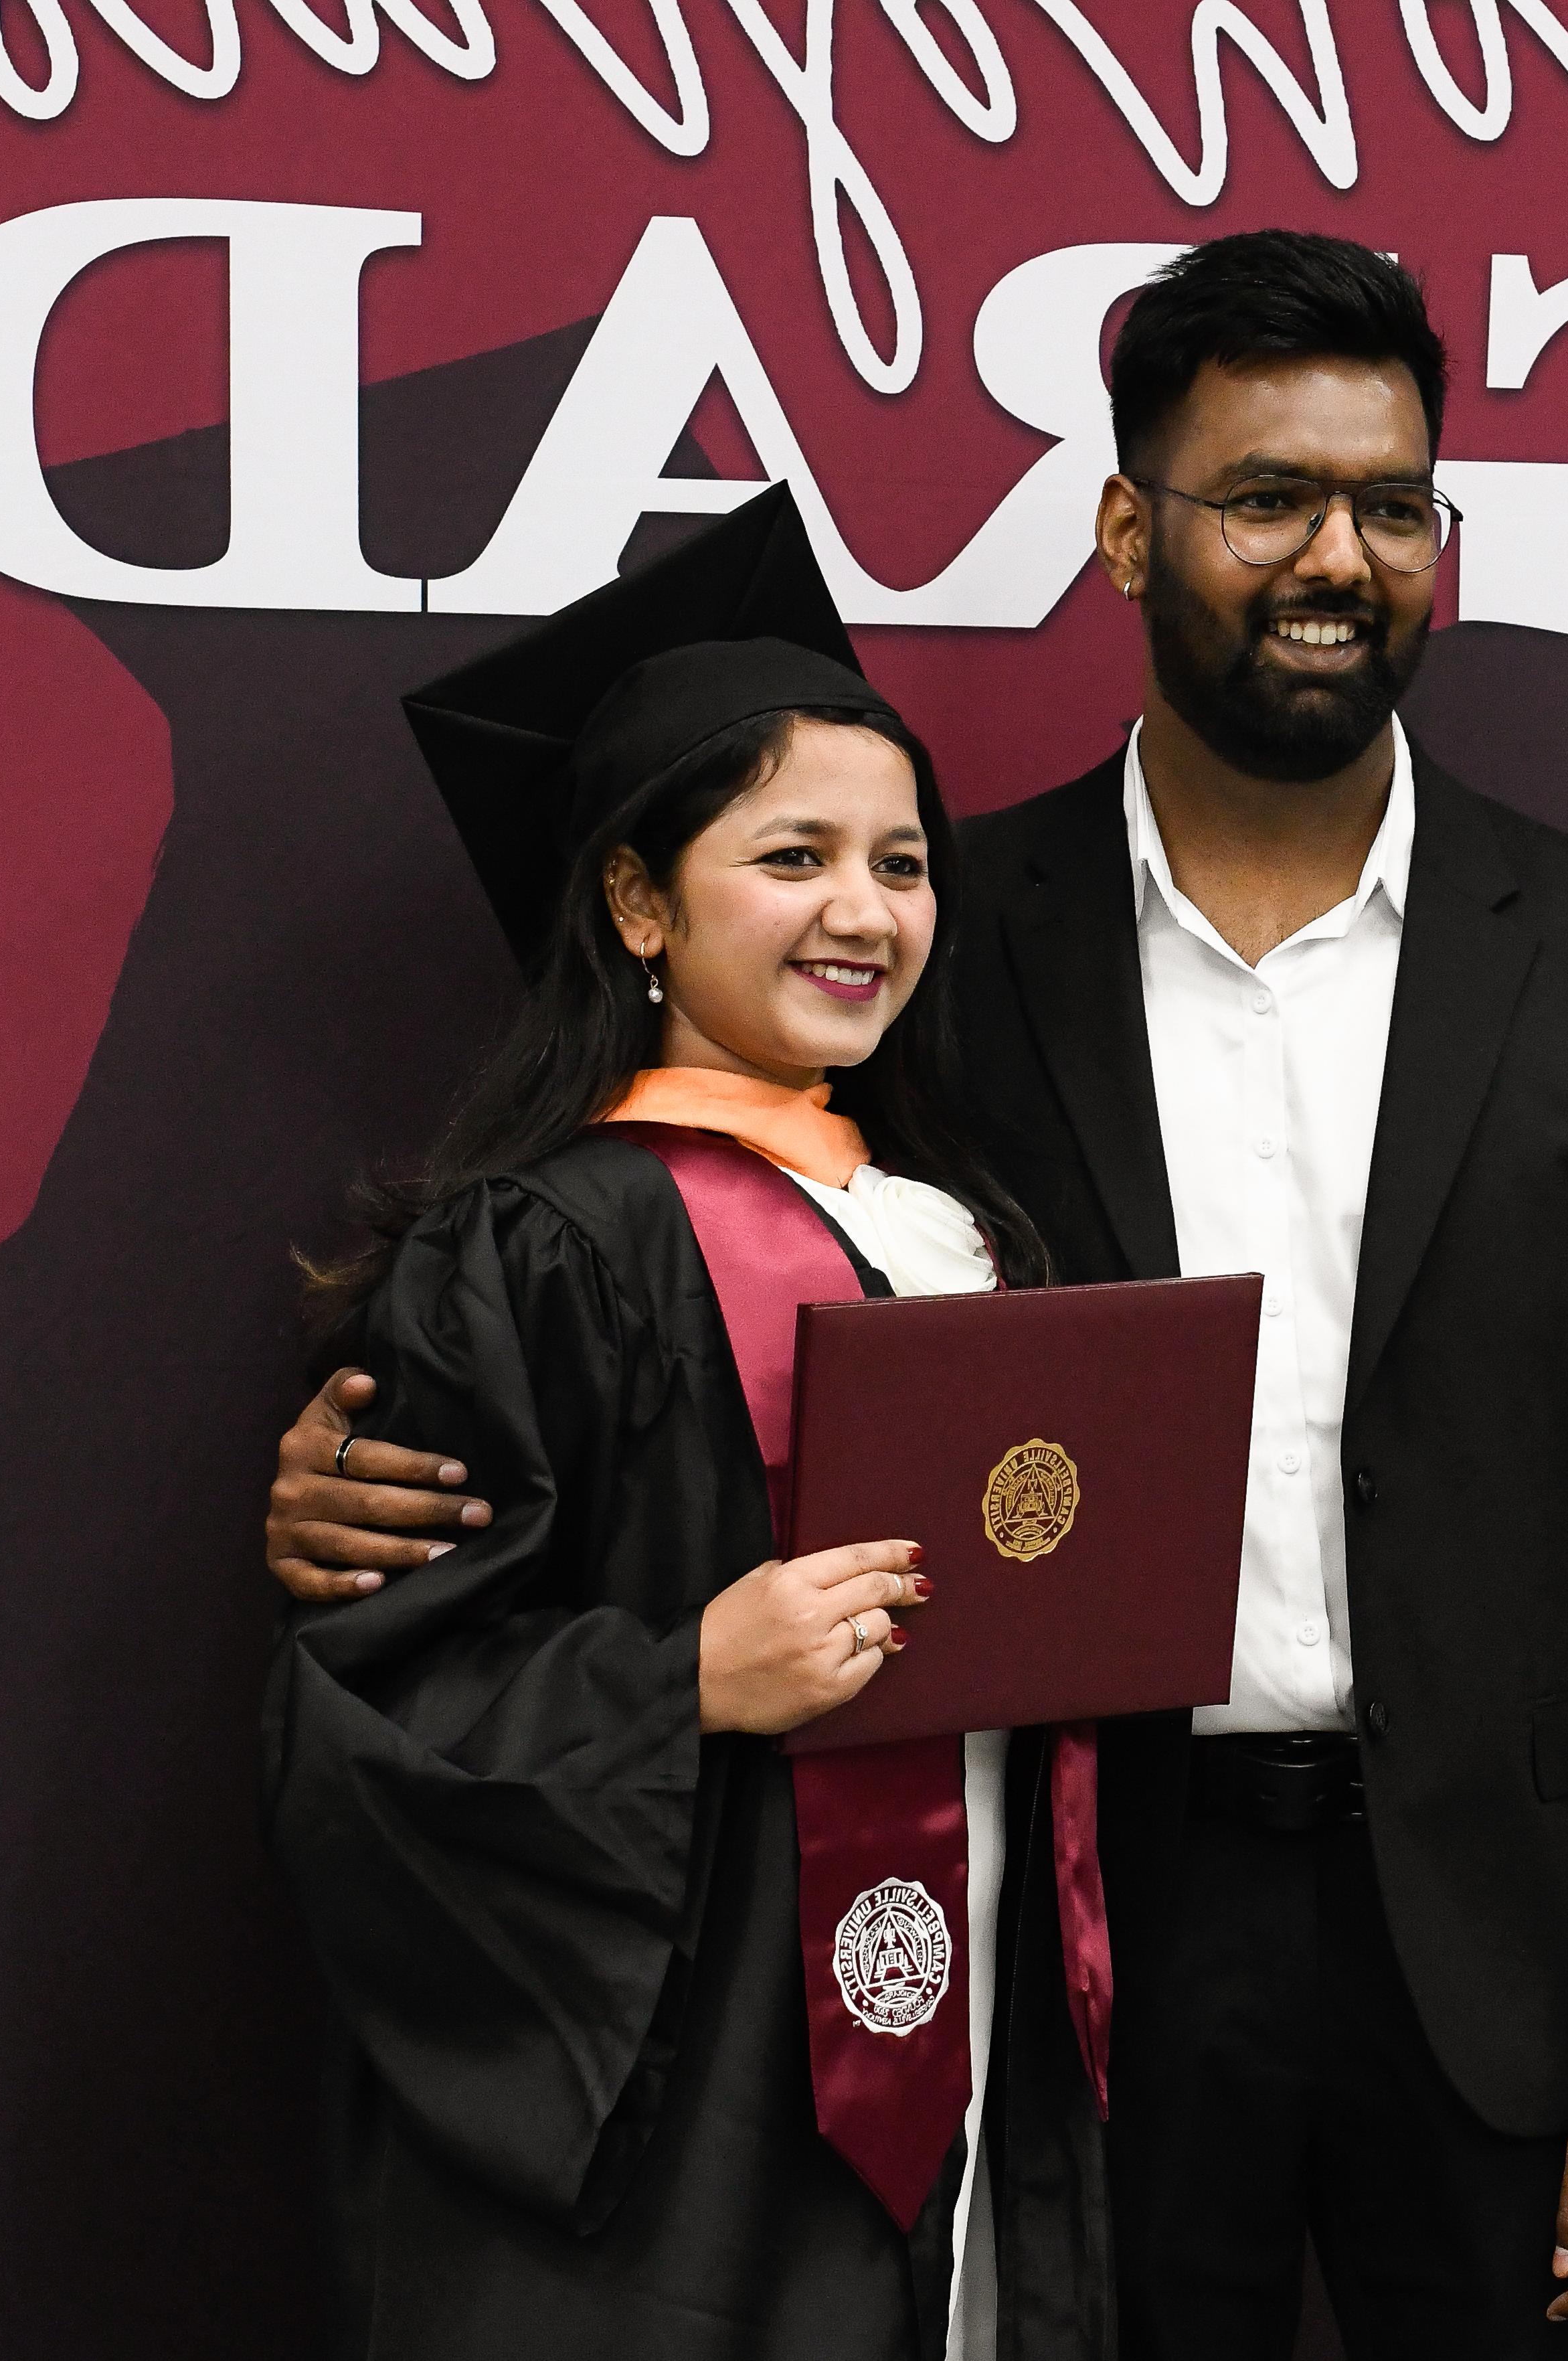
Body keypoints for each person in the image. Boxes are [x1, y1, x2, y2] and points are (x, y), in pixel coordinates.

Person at [270, 232, 1568, 2354]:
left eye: (1388, 502)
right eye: (1263, 496)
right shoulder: (949, 948)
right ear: (1123, 530)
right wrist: (371, 1474)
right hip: (1082, 1941)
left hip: (1501, 1955)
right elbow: (704, 1306)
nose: (1332, 554)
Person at [263, 489, 1116, 2361]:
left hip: (976, 2014)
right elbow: (373, 1705)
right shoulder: (546, 1241)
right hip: (694, 2074)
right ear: (639, 901)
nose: (861, 910)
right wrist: (680, 1683)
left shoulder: (981, 1241)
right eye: (790, 854)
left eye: (901, 864)